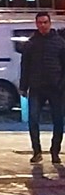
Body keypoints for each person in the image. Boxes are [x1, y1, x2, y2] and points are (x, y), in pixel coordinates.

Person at [20, 9, 65, 164]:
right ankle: (37, 151)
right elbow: (25, 66)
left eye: (45, 22)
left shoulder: (59, 42)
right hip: (36, 87)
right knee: (33, 119)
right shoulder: (31, 43)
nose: (43, 25)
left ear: (50, 23)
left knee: (58, 120)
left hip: (55, 87)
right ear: (36, 24)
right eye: (40, 23)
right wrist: (23, 86)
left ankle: (55, 151)